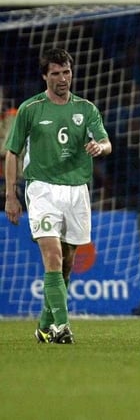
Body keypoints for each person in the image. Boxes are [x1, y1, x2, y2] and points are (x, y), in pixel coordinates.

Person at [4, 48, 112, 344]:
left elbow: (105, 142)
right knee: (51, 256)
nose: (62, 78)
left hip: (77, 189)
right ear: (44, 76)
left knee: (67, 261)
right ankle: (62, 327)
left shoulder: (86, 109)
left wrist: (98, 148)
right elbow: (12, 152)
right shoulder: (30, 109)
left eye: (66, 72)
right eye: (55, 73)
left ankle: (43, 325)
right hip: (42, 189)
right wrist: (10, 195)